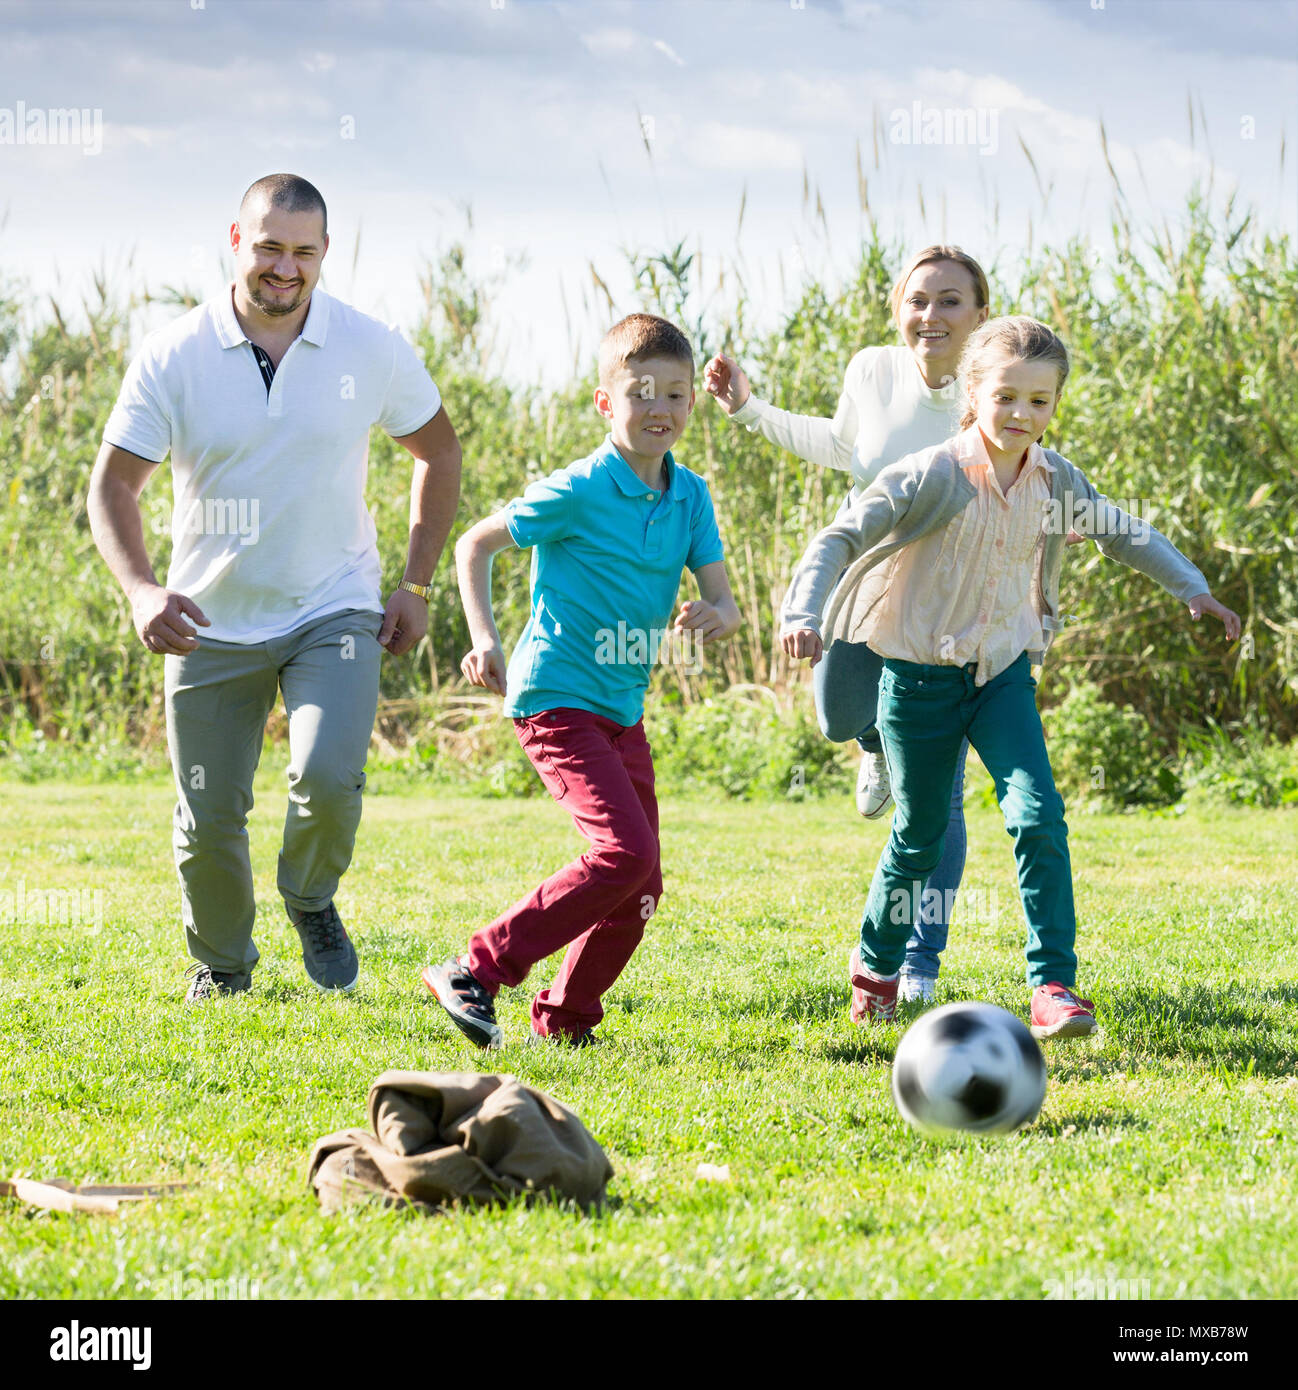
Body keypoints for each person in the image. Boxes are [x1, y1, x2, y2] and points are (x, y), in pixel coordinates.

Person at [780, 316, 1240, 1038]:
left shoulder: (1055, 481)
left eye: (1039, 401)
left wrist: (1193, 587)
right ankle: (876, 971)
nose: (1022, 415)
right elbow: (841, 536)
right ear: (974, 391)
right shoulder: (930, 473)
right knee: (920, 832)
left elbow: (1123, 531)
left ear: (1055, 404)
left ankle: (1053, 985)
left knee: (1038, 815)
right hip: (919, 681)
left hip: (1003, 678)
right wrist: (804, 612)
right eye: (1006, 397)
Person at [87, 174, 461, 1002]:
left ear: (325, 252)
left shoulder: (370, 347)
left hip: (333, 606)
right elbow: (111, 489)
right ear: (236, 240)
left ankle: (310, 897)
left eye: (301, 251)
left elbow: (439, 452)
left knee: (329, 778)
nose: (283, 268)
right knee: (207, 822)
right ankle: (222, 967)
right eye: (268, 248)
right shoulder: (175, 353)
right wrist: (143, 591)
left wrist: (415, 583)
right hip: (207, 621)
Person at [422, 313, 740, 1048]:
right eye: (641, 393)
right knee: (623, 856)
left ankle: (563, 1021)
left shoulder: (689, 496)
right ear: (606, 402)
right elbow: (476, 544)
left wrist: (719, 613)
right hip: (555, 695)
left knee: (642, 884)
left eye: (676, 395)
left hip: (620, 708)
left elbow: (722, 596)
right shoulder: (575, 489)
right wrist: (485, 638)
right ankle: (475, 968)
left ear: (692, 403)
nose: (659, 409)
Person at [705, 245, 990, 1003]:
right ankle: (875, 746)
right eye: (919, 300)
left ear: (980, 315)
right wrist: (749, 412)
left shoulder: (992, 383)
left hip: (949, 599)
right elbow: (841, 447)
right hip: (864, 577)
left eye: (951, 301)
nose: (931, 316)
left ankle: (922, 964)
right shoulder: (872, 368)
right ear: (899, 308)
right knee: (836, 715)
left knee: (942, 798)